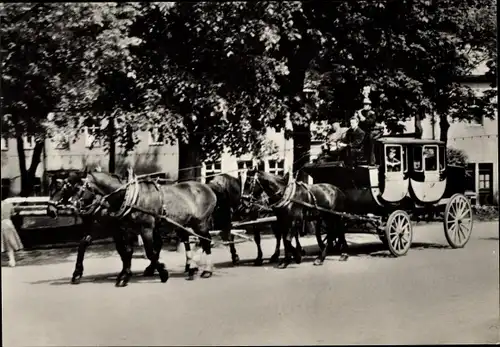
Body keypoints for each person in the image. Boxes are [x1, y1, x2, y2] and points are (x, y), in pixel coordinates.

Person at [1, 198, 24, 267]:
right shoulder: (9, 204)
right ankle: (12, 260)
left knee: (4, 243)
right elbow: (13, 214)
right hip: (8, 223)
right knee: (9, 243)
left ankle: (11, 261)